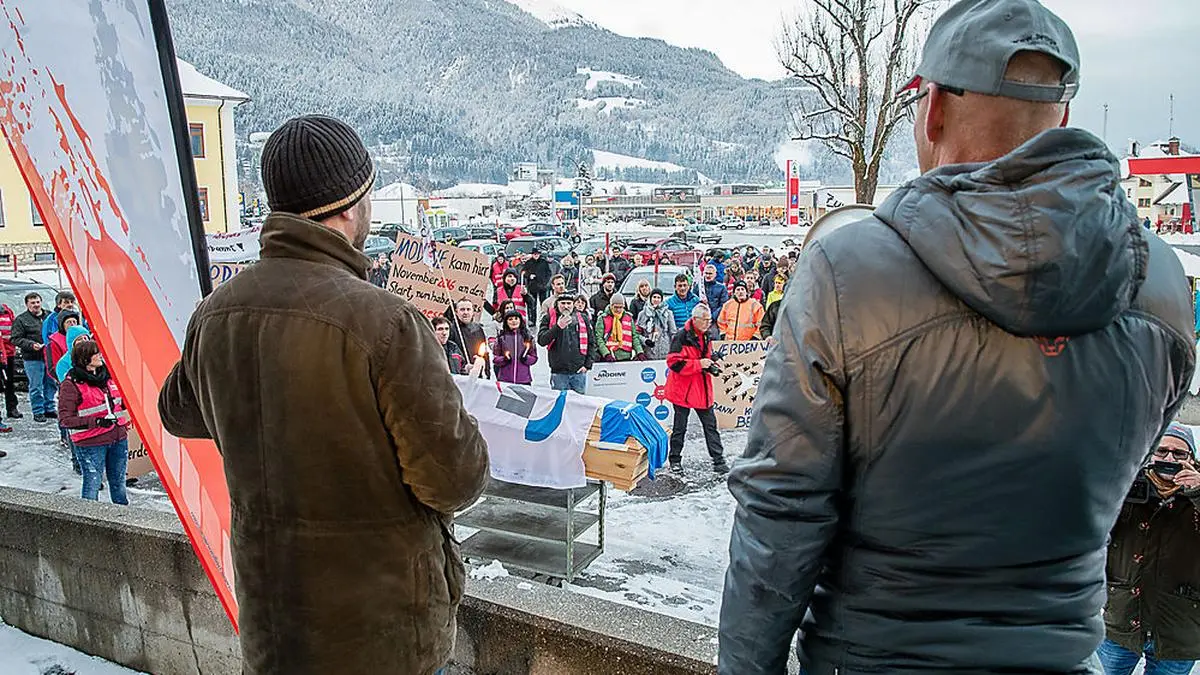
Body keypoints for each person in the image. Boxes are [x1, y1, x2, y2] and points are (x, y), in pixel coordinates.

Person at [719, 2, 1196, 673]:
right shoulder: (1163, 285)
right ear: (1061, 119)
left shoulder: (847, 272)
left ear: (933, 108)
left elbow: (780, 516)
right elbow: (1125, 461)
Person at [157, 115, 490, 675]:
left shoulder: (217, 314)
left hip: (273, 628)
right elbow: (456, 480)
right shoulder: (386, 323)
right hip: (384, 635)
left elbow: (178, 411)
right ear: (351, 205)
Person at [1097, 423, 1200, 675]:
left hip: (1179, 629)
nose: (1169, 458)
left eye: (1179, 453)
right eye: (1162, 451)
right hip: (1121, 622)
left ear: (1192, 458)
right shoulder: (1126, 485)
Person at [58, 339, 129, 505]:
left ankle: (124, 516)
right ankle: (89, 518)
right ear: (84, 358)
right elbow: (65, 419)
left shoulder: (109, 377)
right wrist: (96, 421)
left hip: (118, 437)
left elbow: (121, 402)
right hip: (91, 442)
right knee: (93, 483)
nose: (100, 355)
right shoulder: (71, 384)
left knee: (119, 482)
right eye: (95, 353)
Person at [664, 304, 726, 474]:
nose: (709, 323)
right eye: (706, 320)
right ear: (696, 320)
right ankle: (675, 460)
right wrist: (699, 364)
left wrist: (712, 362)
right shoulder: (681, 336)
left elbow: (706, 356)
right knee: (680, 428)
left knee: (711, 426)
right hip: (683, 390)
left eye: (709, 320)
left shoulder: (706, 335)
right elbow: (673, 363)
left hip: (701, 388)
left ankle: (718, 460)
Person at [538, 293, 594, 394]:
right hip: (559, 372)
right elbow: (542, 340)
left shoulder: (582, 318)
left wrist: (587, 365)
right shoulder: (549, 318)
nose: (566, 306)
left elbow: (591, 343)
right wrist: (558, 327)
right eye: (563, 303)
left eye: (569, 303)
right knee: (560, 404)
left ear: (573, 305)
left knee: (579, 405)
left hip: (578, 371)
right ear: (557, 304)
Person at [12, 292, 54, 423]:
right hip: (32, 358)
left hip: (50, 356)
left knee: (51, 384)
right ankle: (38, 411)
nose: (36, 305)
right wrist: (31, 345)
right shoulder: (21, 320)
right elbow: (15, 338)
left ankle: (50, 408)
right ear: (27, 305)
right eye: (32, 303)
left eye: (37, 302)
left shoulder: (50, 316)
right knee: (36, 386)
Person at [492, 310, 538, 385]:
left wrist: (526, 359)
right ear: (506, 322)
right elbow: (495, 358)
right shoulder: (501, 338)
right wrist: (504, 359)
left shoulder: (528, 338)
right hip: (505, 380)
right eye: (510, 319)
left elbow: (534, 358)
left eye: (516, 318)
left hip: (523, 379)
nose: (514, 321)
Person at [447, 299, 489, 378]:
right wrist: (463, 368)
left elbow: (485, 353)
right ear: (456, 312)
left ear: (473, 312)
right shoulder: (450, 329)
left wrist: (487, 373)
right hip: (458, 376)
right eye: (462, 310)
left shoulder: (478, 329)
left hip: (477, 374)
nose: (465, 312)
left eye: (468, 309)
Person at [595, 294, 644, 362]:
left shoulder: (628, 317)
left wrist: (639, 352)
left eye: (620, 307)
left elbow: (634, 336)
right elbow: (599, 338)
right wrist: (606, 354)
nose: (618, 310)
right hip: (610, 356)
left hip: (627, 356)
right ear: (611, 306)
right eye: (616, 307)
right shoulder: (603, 318)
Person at [637, 289, 676, 360]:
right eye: (654, 297)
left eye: (658, 297)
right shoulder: (643, 314)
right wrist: (645, 341)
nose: (656, 299)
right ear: (650, 298)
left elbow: (673, 332)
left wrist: (674, 350)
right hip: (649, 351)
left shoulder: (668, 313)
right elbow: (637, 334)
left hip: (665, 350)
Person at [45, 310, 81, 383]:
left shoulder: (83, 338)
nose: (72, 324)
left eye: (74, 322)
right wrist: (64, 380)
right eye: (69, 322)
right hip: (66, 379)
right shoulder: (54, 342)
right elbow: (52, 368)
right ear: (62, 324)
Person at [0, 302, 21, 418]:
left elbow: (14, 330)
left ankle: (12, 408)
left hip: (8, 353)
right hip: (2, 352)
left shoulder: (7, 310)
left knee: (9, 383)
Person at [759, 275, 787, 345]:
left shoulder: (803, 308)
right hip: (776, 345)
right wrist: (767, 336)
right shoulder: (774, 306)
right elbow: (765, 325)